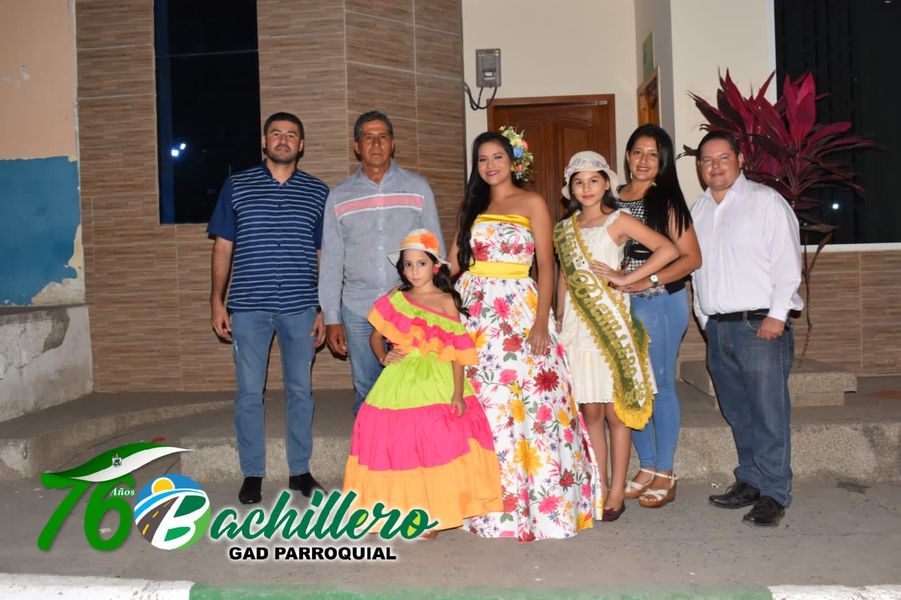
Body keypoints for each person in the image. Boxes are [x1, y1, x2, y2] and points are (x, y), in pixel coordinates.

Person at [450, 130, 602, 542]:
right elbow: (453, 262)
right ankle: (485, 506)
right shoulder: (472, 206)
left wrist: (540, 323)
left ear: (512, 161)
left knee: (532, 402)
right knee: (484, 402)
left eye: (497, 157)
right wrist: (416, 292)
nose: (490, 166)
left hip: (519, 309)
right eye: (482, 159)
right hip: (476, 314)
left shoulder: (533, 202)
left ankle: (541, 505)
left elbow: (547, 267)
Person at [343, 229, 503, 538]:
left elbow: (457, 351)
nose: (414, 271)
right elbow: (375, 335)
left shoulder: (446, 301)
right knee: (396, 443)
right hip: (399, 378)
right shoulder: (395, 298)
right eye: (408, 265)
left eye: (421, 263)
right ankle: (395, 510)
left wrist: (458, 393)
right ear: (401, 269)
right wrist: (382, 356)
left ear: (435, 266)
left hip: (437, 378)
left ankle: (434, 514)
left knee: (434, 444)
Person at [208, 111, 328, 504]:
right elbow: (223, 246)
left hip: (300, 306)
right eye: (276, 133)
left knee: (301, 391)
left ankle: (300, 471)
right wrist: (216, 301)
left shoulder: (317, 192)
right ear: (264, 141)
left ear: (301, 145)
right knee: (248, 393)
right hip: (248, 306)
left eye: (291, 134)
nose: (283, 139)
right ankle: (252, 473)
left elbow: (323, 253)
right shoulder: (237, 186)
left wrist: (324, 308)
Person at [553, 151, 678, 521]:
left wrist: (628, 278)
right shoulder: (565, 228)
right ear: (571, 188)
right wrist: (558, 317)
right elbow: (564, 277)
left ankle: (617, 490)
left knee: (615, 412)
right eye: (579, 182)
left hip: (611, 323)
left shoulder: (618, 220)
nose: (586, 188)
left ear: (606, 183)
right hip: (577, 326)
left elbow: (668, 249)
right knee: (589, 410)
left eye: (593, 180)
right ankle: (599, 483)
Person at [692, 131, 803, 527]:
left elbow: (787, 261)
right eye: (707, 160)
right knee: (738, 412)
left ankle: (774, 492)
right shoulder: (699, 209)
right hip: (719, 329)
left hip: (760, 325)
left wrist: (777, 314)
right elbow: (697, 270)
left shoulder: (765, 201)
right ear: (700, 167)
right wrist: (704, 318)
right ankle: (751, 480)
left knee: (768, 412)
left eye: (723, 157)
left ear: (739, 159)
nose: (715, 166)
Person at [319, 111, 444, 417]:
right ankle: (370, 447)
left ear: (393, 143)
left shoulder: (418, 188)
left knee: (412, 388)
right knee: (367, 389)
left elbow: (434, 249)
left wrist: (436, 306)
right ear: (356, 146)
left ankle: (407, 447)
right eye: (368, 137)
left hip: (409, 308)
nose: (376, 144)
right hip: (358, 309)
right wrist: (332, 316)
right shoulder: (339, 196)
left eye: (382, 137)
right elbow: (332, 259)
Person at [615, 124, 702, 508]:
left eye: (653, 154)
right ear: (627, 155)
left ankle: (665, 471)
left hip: (659, 302)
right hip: (618, 306)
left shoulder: (667, 201)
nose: (643, 160)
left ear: (662, 160)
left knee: (660, 384)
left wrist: (646, 280)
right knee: (630, 387)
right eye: (637, 152)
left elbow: (692, 258)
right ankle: (646, 465)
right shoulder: (612, 197)